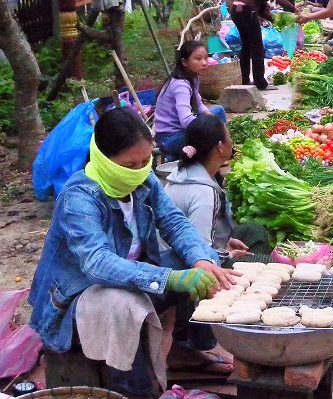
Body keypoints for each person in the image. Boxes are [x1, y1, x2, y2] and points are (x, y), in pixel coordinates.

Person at [29, 109, 240, 396]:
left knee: (201, 262)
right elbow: (98, 264)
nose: (140, 170)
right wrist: (171, 279)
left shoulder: (141, 177)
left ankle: (187, 349)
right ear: (104, 158)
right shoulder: (78, 198)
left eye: (145, 161)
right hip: (75, 298)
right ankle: (136, 390)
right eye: (130, 164)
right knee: (125, 305)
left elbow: (173, 221)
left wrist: (201, 259)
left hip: (130, 275)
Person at [161, 115, 273, 266]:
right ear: (220, 146)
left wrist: (226, 243)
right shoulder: (203, 194)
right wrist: (228, 254)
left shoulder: (192, 171)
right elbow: (198, 251)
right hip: (186, 264)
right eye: (229, 137)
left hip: (200, 248)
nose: (231, 141)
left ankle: (250, 269)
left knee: (254, 230)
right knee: (267, 262)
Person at [155, 41, 227, 159]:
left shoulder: (193, 77)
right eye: (198, 59)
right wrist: (211, 127)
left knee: (217, 111)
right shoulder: (180, 84)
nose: (204, 63)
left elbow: (198, 104)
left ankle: (218, 152)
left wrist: (209, 116)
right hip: (170, 137)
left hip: (184, 130)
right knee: (208, 132)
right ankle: (212, 155)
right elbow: (186, 120)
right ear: (184, 62)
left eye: (205, 57)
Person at [230, 0, 297, 90]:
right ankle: (260, 82)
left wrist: (275, 20)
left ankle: (245, 80)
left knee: (246, 46)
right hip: (246, 11)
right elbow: (282, 1)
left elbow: (261, 10)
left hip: (237, 11)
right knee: (257, 47)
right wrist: (296, 10)